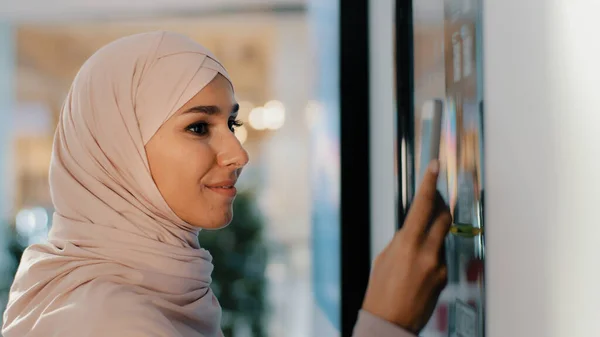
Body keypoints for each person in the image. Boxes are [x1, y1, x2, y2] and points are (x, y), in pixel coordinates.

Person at [2, 31, 450, 337]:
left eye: (230, 123)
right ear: (118, 152)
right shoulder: (106, 320)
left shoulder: (118, 286)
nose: (238, 153)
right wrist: (385, 324)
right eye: (199, 127)